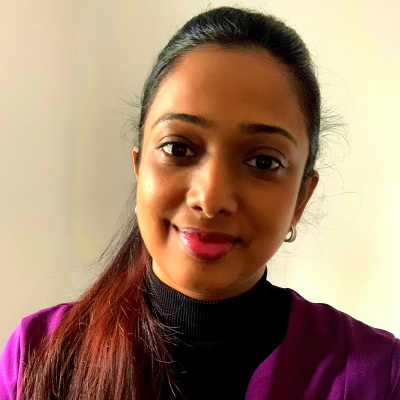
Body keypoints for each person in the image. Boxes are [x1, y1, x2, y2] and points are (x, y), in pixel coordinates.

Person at [1, 6, 399, 400]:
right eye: (178, 148)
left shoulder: (377, 377)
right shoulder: (36, 356)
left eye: (263, 161)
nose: (210, 199)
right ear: (139, 167)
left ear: (301, 198)